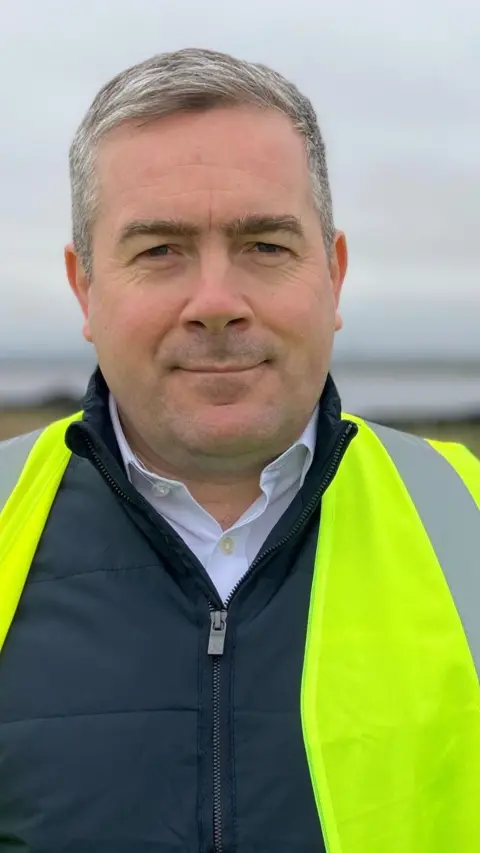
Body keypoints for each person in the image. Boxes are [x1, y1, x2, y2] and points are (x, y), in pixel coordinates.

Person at [0, 47, 478, 853]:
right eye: (159, 250)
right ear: (85, 289)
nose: (216, 303)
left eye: (265, 246)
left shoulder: (467, 521)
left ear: (333, 273)